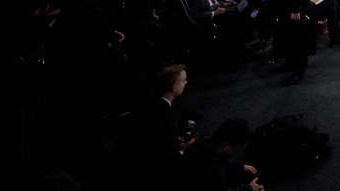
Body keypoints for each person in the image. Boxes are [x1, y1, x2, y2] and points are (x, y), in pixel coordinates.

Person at [108, 63, 196, 191]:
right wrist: (182, 150)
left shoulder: (150, 103)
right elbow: (162, 157)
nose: (186, 82)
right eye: (183, 80)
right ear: (174, 87)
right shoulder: (163, 115)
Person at [180, 118, 263, 191]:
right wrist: (250, 188)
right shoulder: (214, 171)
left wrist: (240, 166)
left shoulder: (204, 143)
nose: (232, 152)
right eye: (233, 148)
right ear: (225, 146)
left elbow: (220, 160)